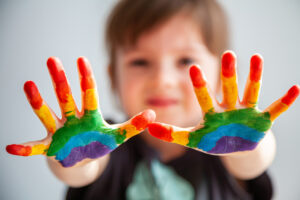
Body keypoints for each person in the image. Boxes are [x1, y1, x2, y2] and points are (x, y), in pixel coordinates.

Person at [6, 0, 300, 199]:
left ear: (220, 76)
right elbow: (81, 171)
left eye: (186, 60)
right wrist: (75, 158)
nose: (162, 79)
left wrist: (247, 146)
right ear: (112, 78)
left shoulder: (225, 155)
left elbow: (252, 162)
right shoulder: (106, 144)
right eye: (140, 62)